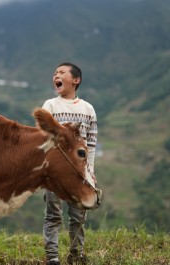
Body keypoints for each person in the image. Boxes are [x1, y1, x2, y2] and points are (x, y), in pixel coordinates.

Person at [42, 62, 98, 265]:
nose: (56, 74)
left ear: (76, 80)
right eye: (55, 72)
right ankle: (53, 258)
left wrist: (89, 171)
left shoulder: (87, 109)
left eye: (62, 72)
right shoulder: (49, 106)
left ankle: (76, 254)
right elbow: (43, 138)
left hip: (78, 173)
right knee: (53, 215)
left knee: (78, 216)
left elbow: (91, 143)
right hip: (55, 174)